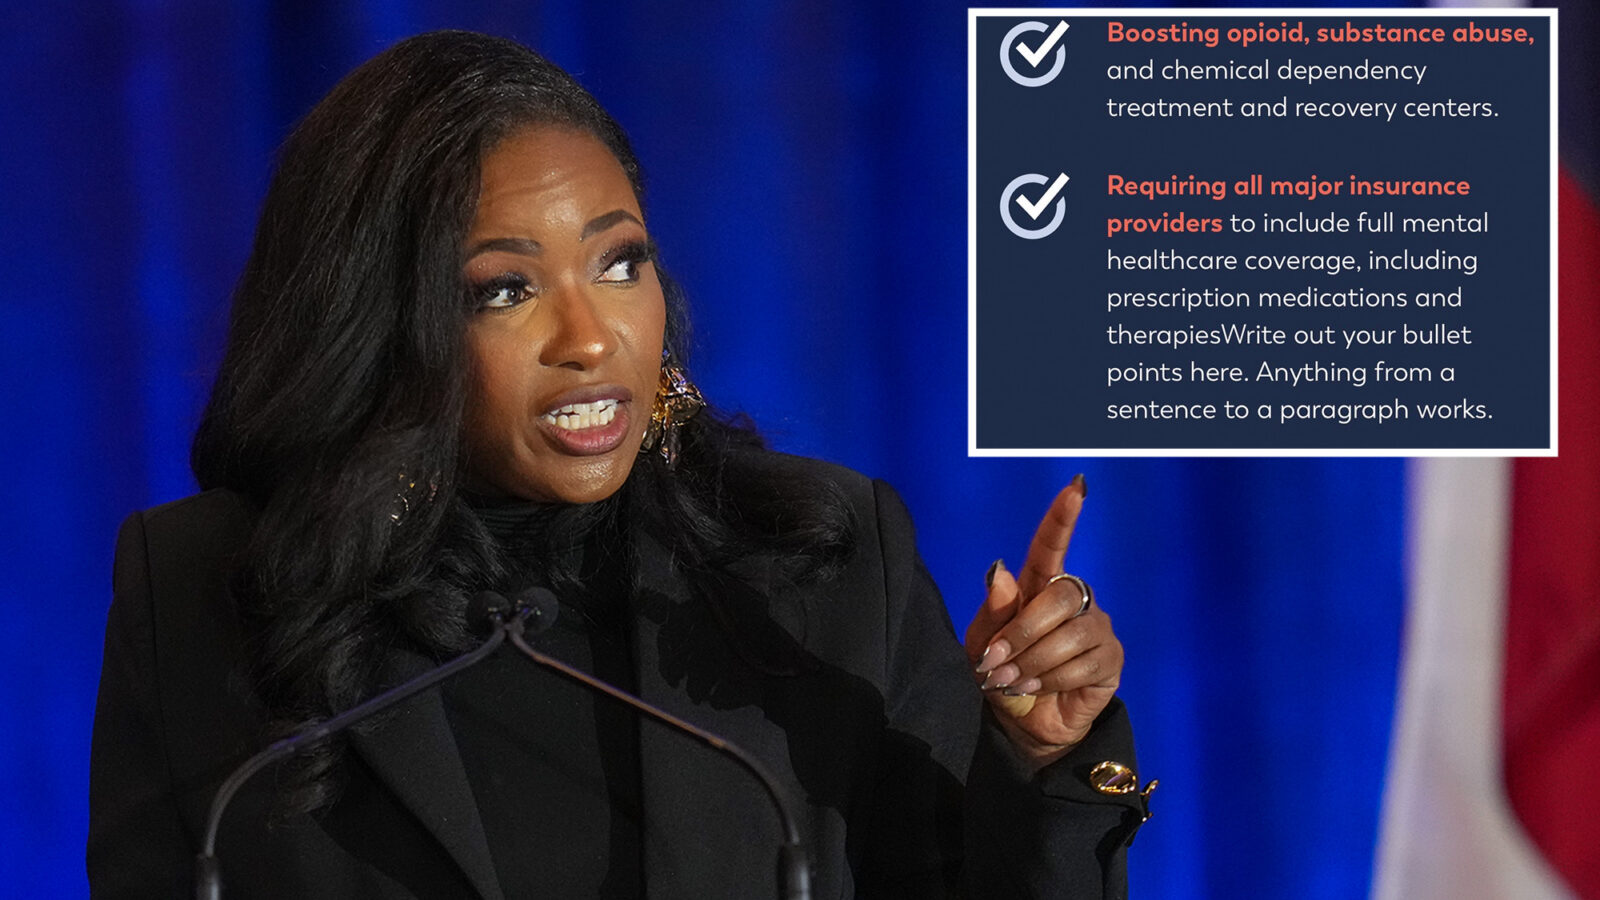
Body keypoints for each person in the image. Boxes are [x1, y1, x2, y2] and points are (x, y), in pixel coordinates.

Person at [88, 30, 1148, 899]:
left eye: (619, 261)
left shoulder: (820, 568)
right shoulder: (206, 590)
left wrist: (1044, 760)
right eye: (504, 290)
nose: (591, 338)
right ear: (378, 325)